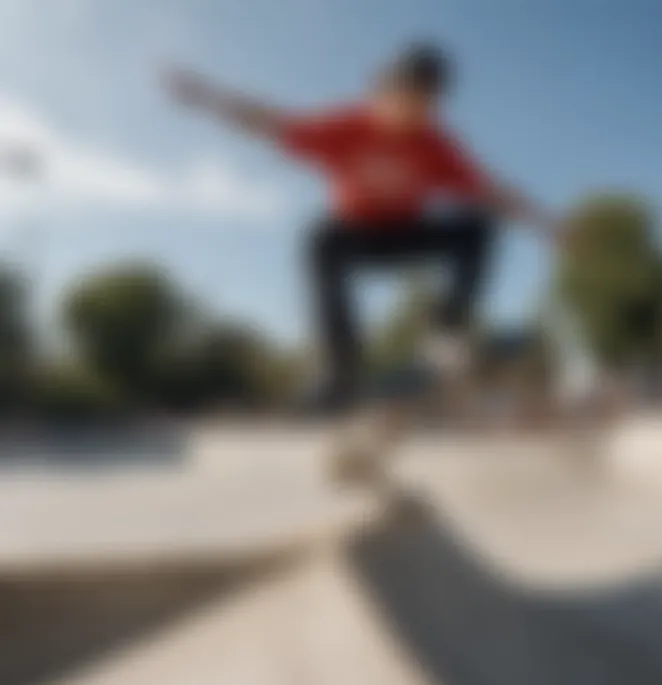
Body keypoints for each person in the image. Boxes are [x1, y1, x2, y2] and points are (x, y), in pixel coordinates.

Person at [165, 42, 557, 414]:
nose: (412, 114)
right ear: (381, 92)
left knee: (478, 223)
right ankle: (341, 371)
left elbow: (494, 193)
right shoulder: (346, 126)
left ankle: (446, 330)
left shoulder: (436, 145)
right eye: (404, 100)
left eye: (424, 105)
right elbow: (272, 123)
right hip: (356, 238)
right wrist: (208, 97)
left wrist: (551, 227)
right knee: (320, 237)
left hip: (406, 236)